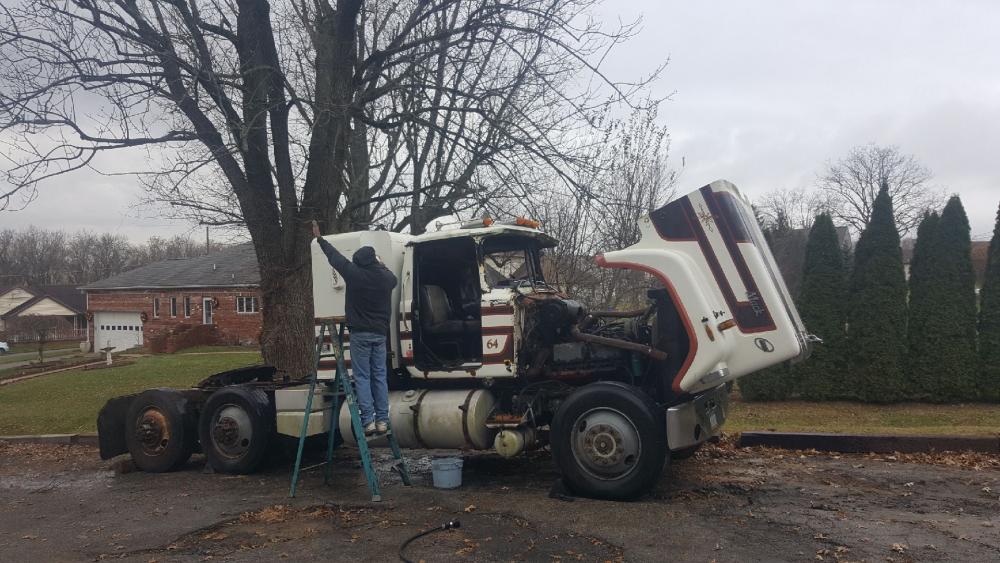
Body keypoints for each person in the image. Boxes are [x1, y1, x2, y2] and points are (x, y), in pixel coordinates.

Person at [312, 220, 397, 436]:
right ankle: (382, 421)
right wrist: (380, 263)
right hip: (380, 334)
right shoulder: (387, 278)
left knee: (362, 377)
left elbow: (335, 258)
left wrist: (320, 239)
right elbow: (392, 277)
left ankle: (368, 421)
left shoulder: (354, 274)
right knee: (379, 376)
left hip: (360, 334)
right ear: (374, 260)